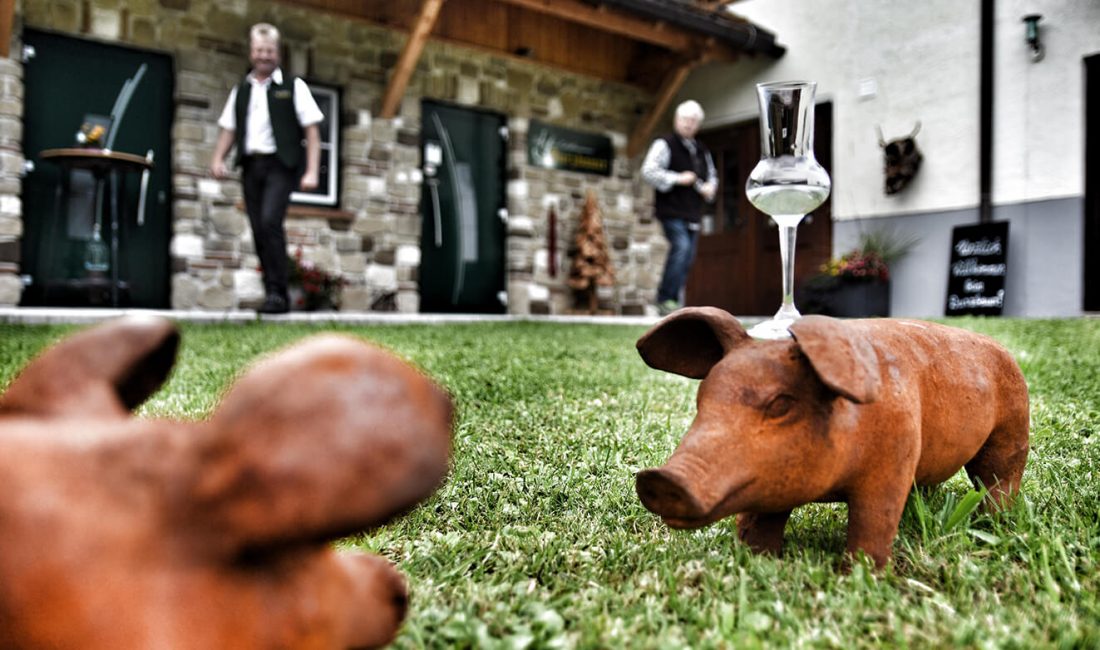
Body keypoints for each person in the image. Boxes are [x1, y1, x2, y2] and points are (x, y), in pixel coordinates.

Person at [210, 23, 324, 314]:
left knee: (271, 221)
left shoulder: (293, 86)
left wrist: (312, 171)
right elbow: (229, 129)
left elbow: (312, 131)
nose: (264, 56)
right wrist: (218, 158)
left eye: (269, 51)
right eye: (259, 50)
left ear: (278, 53)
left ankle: (279, 294)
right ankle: (272, 292)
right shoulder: (242, 90)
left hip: (281, 164)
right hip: (251, 165)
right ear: (252, 52)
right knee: (259, 227)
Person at [641, 100, 718, 316]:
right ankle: (665, 299)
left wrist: (709, 188)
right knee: (681, 248)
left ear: (698, 124)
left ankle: (673, 301)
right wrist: (677, 178)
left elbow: (711, 177)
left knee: (689, 256)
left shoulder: (702, 150)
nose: (689, 124)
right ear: (677, 120)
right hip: (671, 211)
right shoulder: (664, 144)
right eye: (685, 119)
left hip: (692, 212)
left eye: (693, 121)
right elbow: (648, 171)